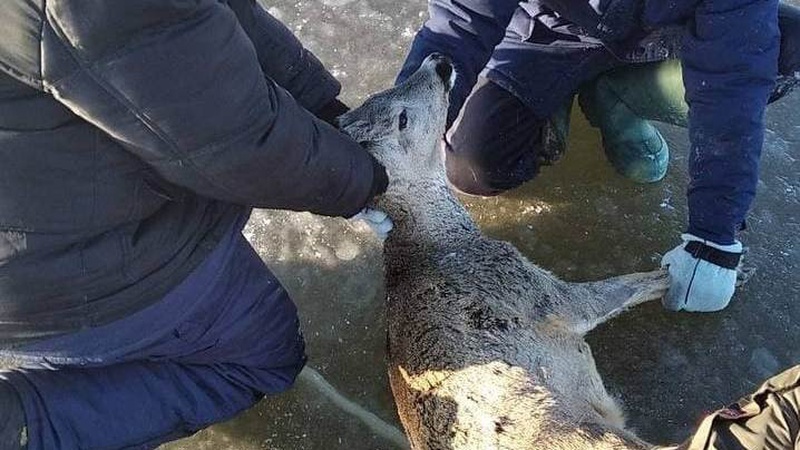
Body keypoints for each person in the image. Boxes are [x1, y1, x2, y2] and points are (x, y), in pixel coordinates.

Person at [0, 0, 389, 448]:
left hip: (38, 200)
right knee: (263, 357)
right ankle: (29, 427)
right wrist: (367, 179)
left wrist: (321, 104)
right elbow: (239, 147)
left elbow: (209, 18)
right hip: (56, 275)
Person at [397, 0, 800, 313]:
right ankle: (549, 105)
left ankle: (617, 99)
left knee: (786, 45)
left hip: (663, 38)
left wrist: (714, 236)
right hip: (546, 36)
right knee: (474, 166)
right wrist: (399, 143)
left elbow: (735, 80)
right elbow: (460, 24)